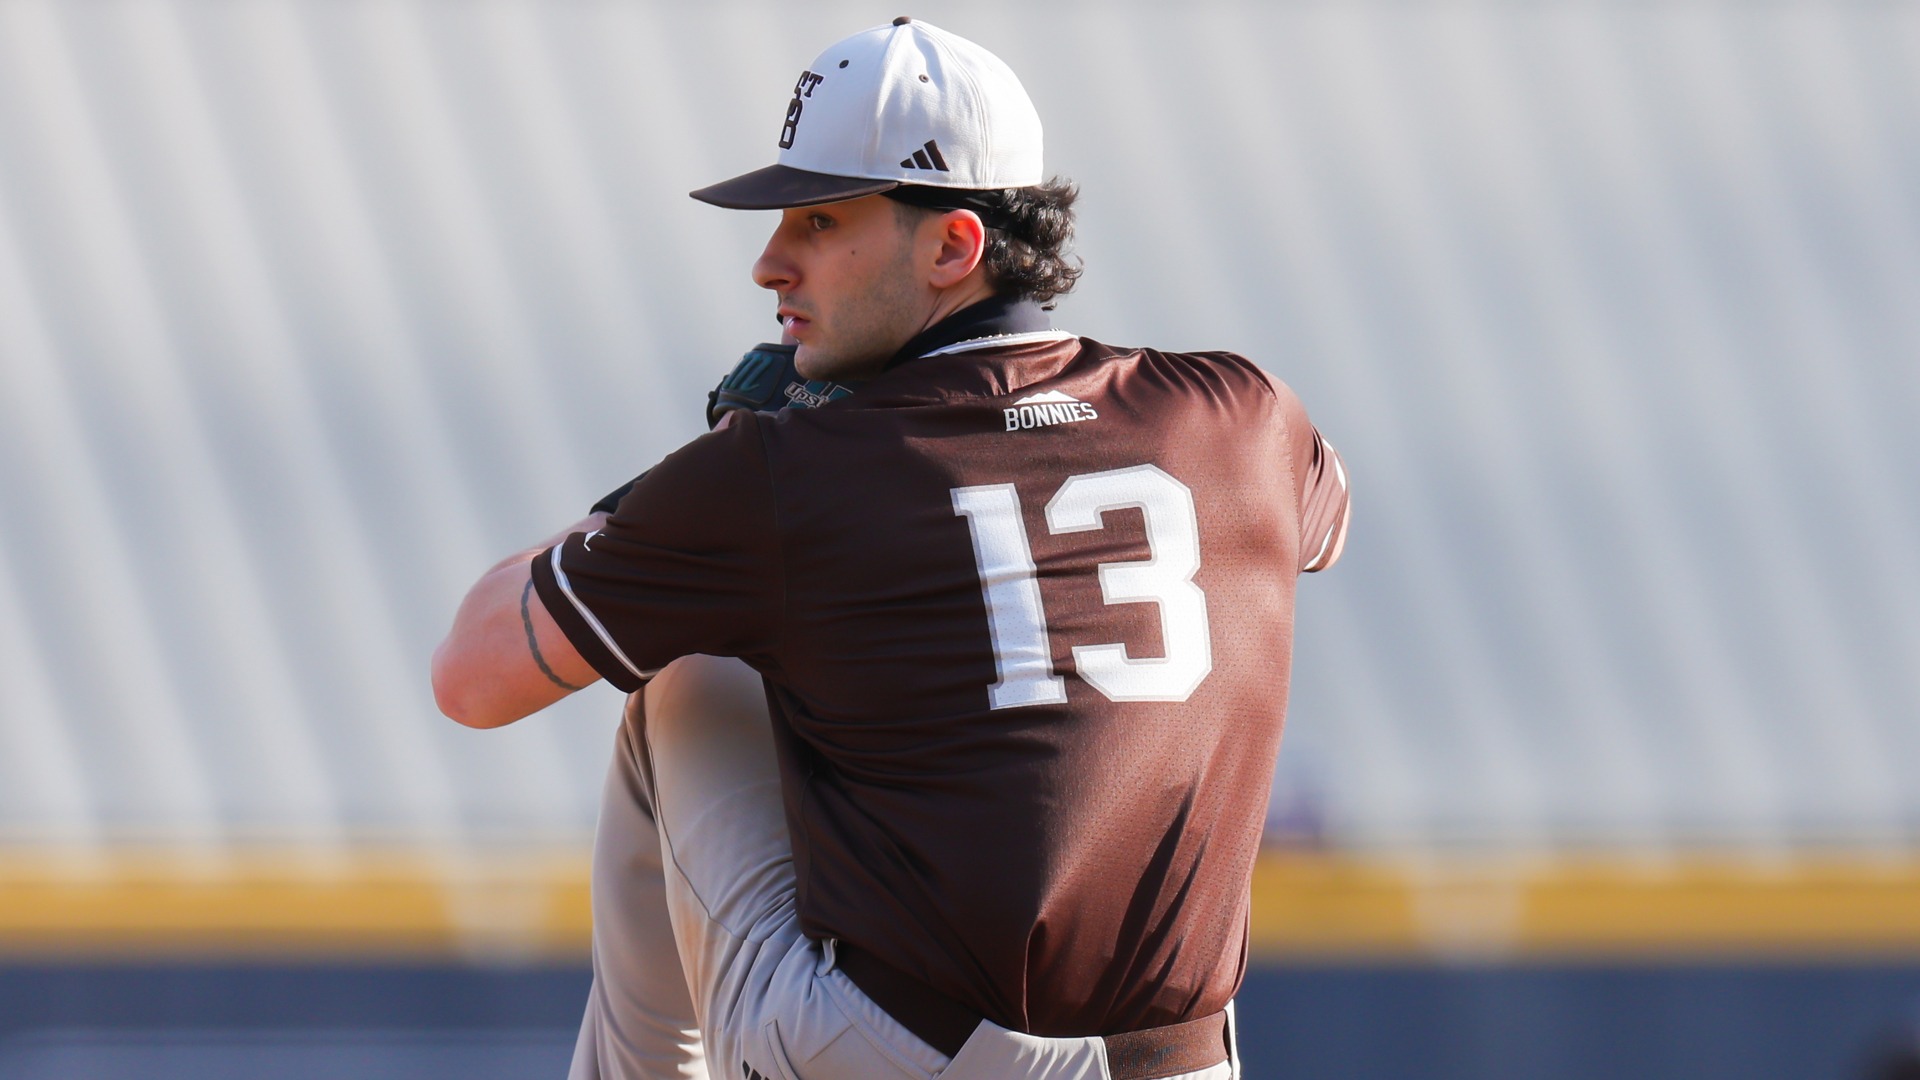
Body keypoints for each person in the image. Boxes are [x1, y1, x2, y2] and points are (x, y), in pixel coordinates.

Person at [433, 17, 1350, 1080]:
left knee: (685, 662)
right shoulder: (1239, 415)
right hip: (1184, 1062)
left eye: (818, 220)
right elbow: (1323, 531)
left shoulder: (790, 471)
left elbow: (473, 674)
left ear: (953, 246)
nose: (771, 263)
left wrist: (667, 499)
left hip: (905, 1055)